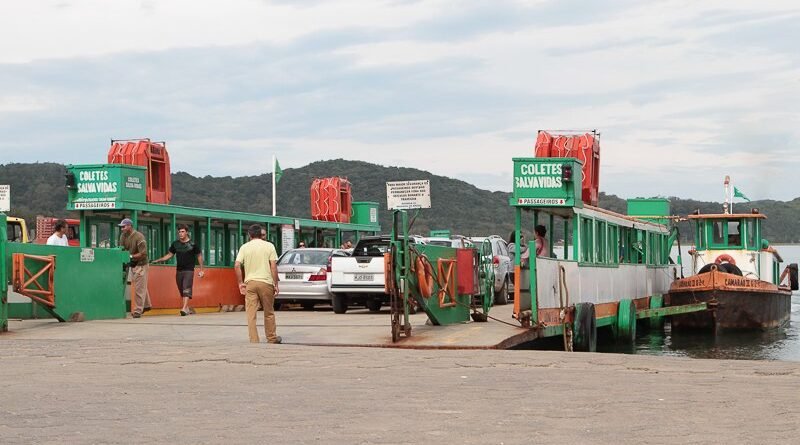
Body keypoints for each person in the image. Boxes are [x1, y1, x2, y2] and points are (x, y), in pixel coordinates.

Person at [235, 224, 281, 344]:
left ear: (249, 235)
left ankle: (254, 340)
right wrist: (275, 284)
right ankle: (271, 338)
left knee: (251, 314)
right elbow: (273, 266)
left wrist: (240, 283)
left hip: (250, 283)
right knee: (269, 312)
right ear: (261, 234)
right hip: (266, 283)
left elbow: (237, 265)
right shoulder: (269, 246)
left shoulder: (244, 247)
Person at [151, 224, 205, 316]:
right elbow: (169, 255)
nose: (180, 233)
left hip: (189, 270)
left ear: (187, 232)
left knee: (186, 288)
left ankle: (184, 308)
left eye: (183, 231)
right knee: (182, 290)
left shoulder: (193, 245)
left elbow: (199, 256)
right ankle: (187, 308)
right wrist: (158, 260)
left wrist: (201, 270)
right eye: (179, 232)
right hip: (179, 270)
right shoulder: (175, 244)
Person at [119, 218, 151, 318]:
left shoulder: (139, 236)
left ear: (129, 226)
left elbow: (143, 253)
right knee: (141, 286)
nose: (122, 229)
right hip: (132, 264)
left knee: (138, 288)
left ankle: (138, 310)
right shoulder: (123, 236)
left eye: (123, 227)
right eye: (121, 227)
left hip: (141, 264)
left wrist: (131, 256)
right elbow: (122, 248)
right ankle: (146, 305)